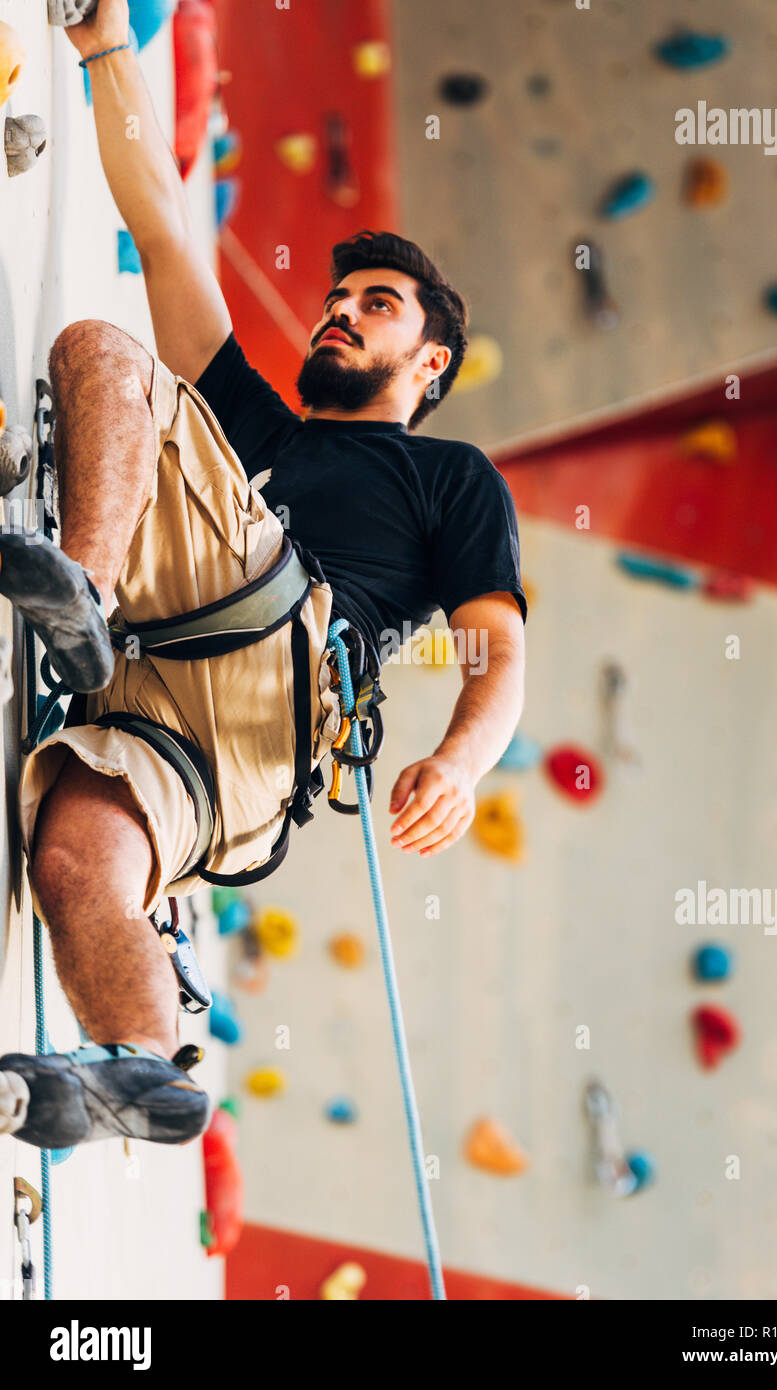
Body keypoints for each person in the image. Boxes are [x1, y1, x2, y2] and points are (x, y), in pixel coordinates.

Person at [0, 0, 526, 1151]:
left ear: (429, 362)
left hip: (279, 674)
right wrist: (103, 46)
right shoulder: (258, 426)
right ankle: (141, 1064)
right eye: (339, 298)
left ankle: (80, 597)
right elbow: (164, 227)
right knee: (79, 858)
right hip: (183, 729)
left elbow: (501, 648)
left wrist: (459, 757)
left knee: (111, 360)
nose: (339, 312)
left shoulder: (452, 479)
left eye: (374, 307)